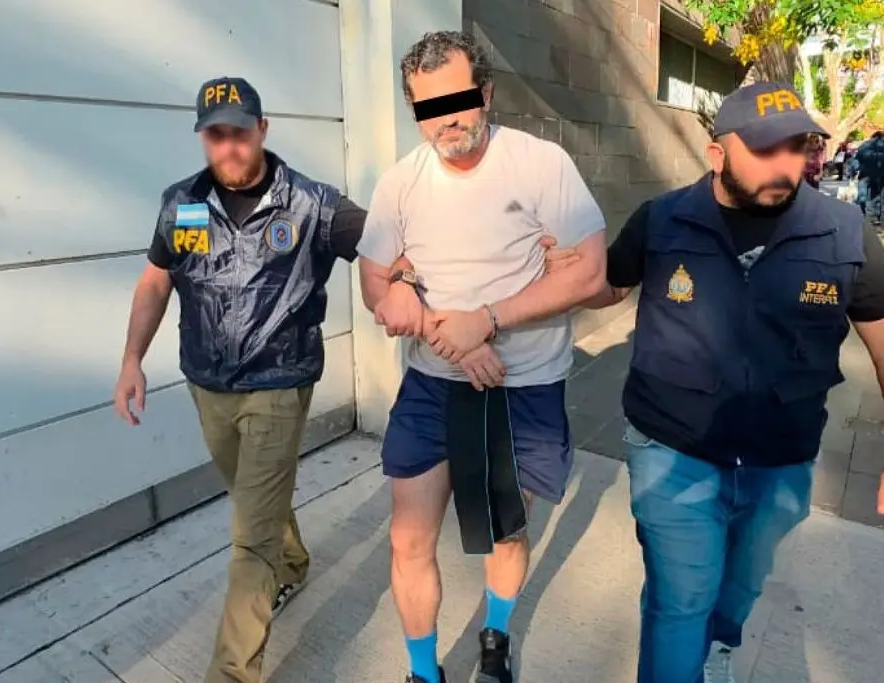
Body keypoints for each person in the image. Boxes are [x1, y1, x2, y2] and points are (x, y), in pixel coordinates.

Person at [547, 82, 884, 683]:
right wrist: (573, 276)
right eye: (763, 149)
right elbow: (612, 284)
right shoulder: (663, 219)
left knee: (741, 583)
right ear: (717, 154)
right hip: (672, 450)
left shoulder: (843, 233)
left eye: (797, 147)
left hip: (781, 461)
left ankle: (722, 642)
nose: (784, 164)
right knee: (681, 599)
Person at [355, 31, 607, 683]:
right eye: (428, 107)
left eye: (458, 101)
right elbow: (373, 280)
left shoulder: (540, 166)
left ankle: (495, 635)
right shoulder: (401, 184)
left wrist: (486, 320)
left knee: (505, 532)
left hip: (524, 387)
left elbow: (589, 272)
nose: (446, 120)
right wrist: (421, 312)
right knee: (408, 538)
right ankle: (423, 671)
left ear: (486, 93)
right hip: (432, 388)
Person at [112, 77, 366, 683]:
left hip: (279, 382)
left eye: (240, 133)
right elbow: (156, 279)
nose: (228, 146)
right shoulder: (183, 203)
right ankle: (293, 560)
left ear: (262, 129)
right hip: (207, 383)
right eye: (216, 135)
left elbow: (385, 243)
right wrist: (131, 359)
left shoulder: (312, 204)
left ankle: (232, 671)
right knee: (254, 499)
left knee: (250, 537)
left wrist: (411, 284)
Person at [849, 131, 884, 226]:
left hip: (865, 173)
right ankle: (876, 217)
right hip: (880, 174)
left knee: (862, 193)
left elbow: (857, 159)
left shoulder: (864, 145)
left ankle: (862, 212)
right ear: (883, 137)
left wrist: (853, 172)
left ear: (872, 136)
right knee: (877, 195)